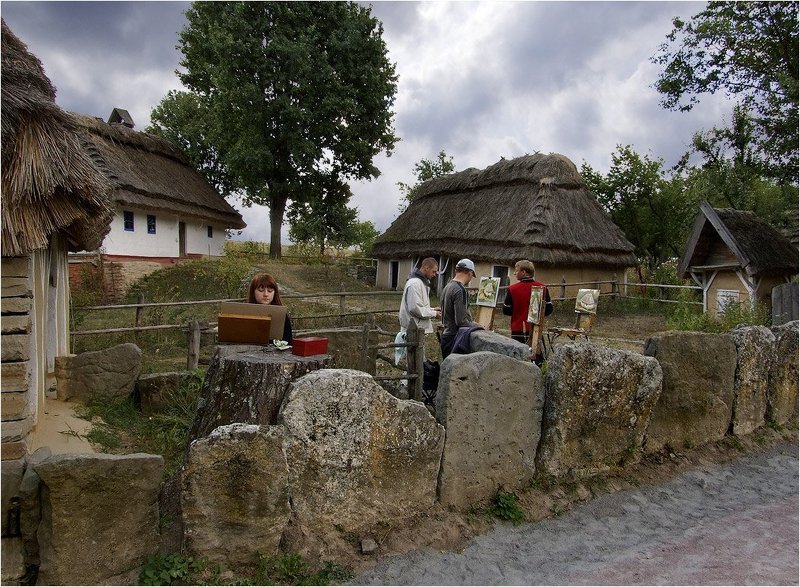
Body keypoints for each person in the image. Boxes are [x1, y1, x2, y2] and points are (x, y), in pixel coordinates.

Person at [397, 257, 440, 363]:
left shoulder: (420, 283)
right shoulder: (415, 284)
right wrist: (434, 314)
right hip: (412, 329)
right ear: (426, 268)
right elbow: (414, 308)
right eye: (433, 271)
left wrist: (433, 309)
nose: (435, 274)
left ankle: (413, 379)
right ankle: (407, 380)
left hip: (416, 329)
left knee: (416, 360)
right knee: (412, 362)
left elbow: (419, 305)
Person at [502, 259, 552, 348]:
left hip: (518, 329)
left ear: (524, 272)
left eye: (516, 271)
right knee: (537, 358)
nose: (514, 273)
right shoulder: (543, 288)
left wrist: (518, 311)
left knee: (518, 358)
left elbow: (506, 310)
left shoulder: (512, 289)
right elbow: (548, 310)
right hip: (536, 329)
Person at [440, 258, 482, 359]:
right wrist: (476, 326)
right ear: (469, 273)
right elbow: (461, 321)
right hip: (455, 339)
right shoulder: (459, 290)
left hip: (446, 334)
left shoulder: (448, 286)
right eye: (472, 275)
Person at [247, 273, 292, 343]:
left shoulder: (282, 315)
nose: (266, 294)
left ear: (275, 292)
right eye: (261, 290)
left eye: (270, 290)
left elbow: (288, 342)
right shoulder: (245, 313)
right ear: (253, 292)